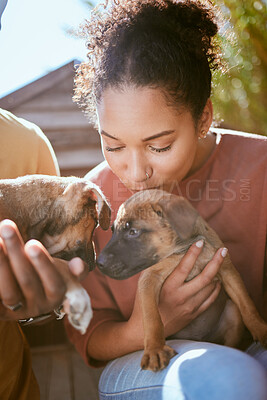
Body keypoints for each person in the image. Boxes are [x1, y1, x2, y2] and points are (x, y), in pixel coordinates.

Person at [1, 0, 266, 399]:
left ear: (204, 117)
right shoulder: (91, 203)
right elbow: (87, 333)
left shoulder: (259, 169)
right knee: (231, 380)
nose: (134, 171)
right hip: (146, 361)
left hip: (247, 340)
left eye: (159, 146)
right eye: (114, 146)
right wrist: (145, 326)